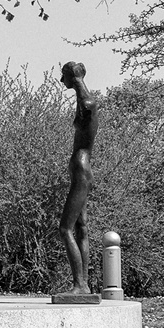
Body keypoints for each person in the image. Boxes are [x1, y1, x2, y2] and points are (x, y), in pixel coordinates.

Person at [59, 60, 99, 295]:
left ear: (71, 78)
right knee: (82, 227)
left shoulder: (87, 103)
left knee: (65, 229)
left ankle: (80, 285)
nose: (60, 80)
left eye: (63, 76)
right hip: (82, 169)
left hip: (81, 170)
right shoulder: (85, 100)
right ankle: (83, 285)